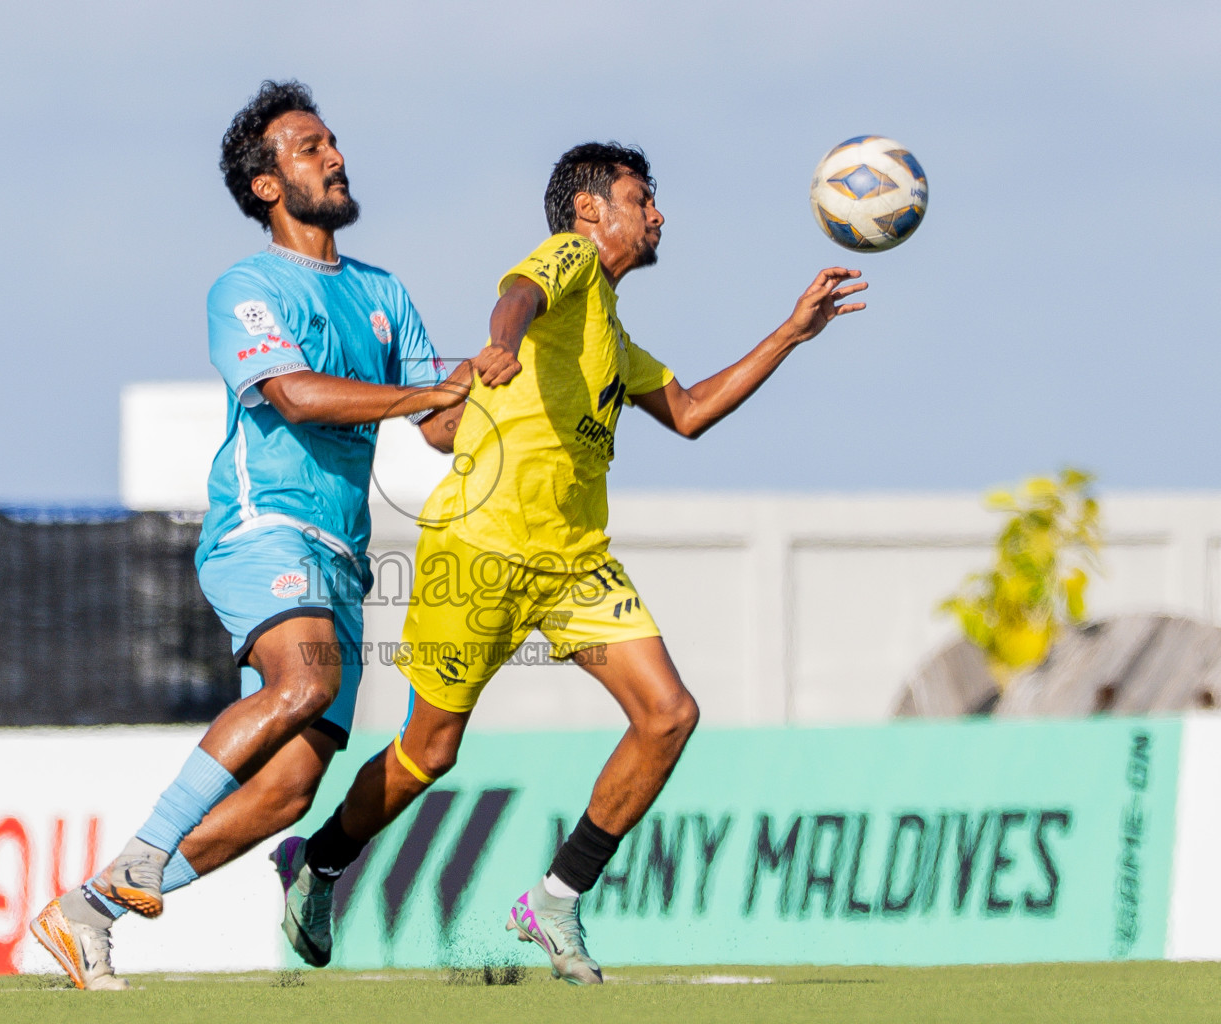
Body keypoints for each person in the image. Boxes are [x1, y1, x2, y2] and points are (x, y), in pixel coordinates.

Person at [274, 142, 868, 983]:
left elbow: (691, 412)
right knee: (429, 754)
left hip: (575, 564)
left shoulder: (613, 337)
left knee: (668, 715)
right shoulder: (571, 261)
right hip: (477, 555)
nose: (657, 213)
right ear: (591, 211)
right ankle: (322, 864)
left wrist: (793, 333)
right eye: (641, 197)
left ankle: (555, 898)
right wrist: (502, 343)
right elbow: (518, 294)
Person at [30, 80, 470, 990]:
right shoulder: (247, 287)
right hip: (264, 526)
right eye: (310, 148)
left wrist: (498, 384)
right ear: (267, 186)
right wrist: (426, 394)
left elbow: (439, 426)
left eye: (333, 142)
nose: (335, 156)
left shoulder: (385, 292)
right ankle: (150, 850)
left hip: (343, 555)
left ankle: (89, 911)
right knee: (304, 680)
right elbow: (294, 395)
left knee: (289, 791)